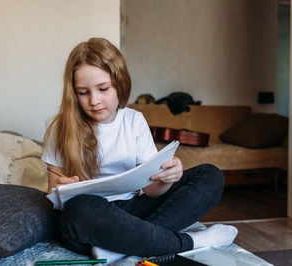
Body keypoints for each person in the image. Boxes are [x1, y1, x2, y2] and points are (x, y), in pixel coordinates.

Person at [41, 37, 238, 263]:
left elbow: (152, 190)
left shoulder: (134, 120)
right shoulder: (61, 127)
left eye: (103, 89)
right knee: (80, 209)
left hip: (133, 210)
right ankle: (190, 242)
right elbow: (51, 191)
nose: (94, 100)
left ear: (120, 83)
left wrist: (168, 178)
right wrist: (60, 189)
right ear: (73, 92)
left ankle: (122, 247)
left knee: (210, 175)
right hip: (93, 218)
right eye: (83, 92)